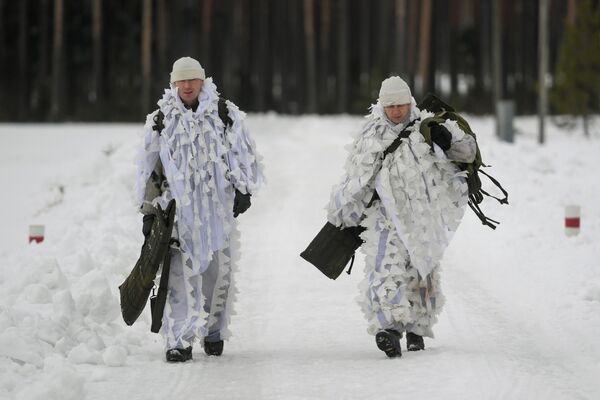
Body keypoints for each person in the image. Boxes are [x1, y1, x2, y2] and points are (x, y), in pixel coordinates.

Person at [326, 76, 476, 358]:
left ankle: (418, 329)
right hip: (384, 215)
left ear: (411, 102)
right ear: (382, 105)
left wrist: (448, 143)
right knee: (384, 267)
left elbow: (468, 153)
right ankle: (389, 329)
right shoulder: (371, 133)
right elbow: (356, 176)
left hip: (423, 214)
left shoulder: (429, 125)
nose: (396, 111)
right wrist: (343, 211)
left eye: (401, 105)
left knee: (423, 269)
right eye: (391, 105)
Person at [136, 56, 264, 362]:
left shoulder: (224, 113)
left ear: (203, 81)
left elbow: (243, 152)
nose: (188, 85)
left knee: (216, 274)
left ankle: (212, 329)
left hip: (217, 212)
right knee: (177, 275)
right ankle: (178, 340)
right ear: (173, 84)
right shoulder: (160, 120)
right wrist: (149, 210)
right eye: (182, 80)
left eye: (193, 79)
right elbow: (150, 168)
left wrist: (244, 189)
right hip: (177, 214)